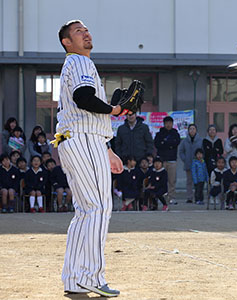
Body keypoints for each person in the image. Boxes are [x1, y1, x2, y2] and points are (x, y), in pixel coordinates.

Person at [57, 20, 123, 296]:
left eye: (86, 30)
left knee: (85, 211)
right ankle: (91, 277)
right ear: (66, 42)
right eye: (77, 32)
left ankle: (74, 278)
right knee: (98, 209)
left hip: (76, 139)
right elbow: (84, 98)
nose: (85, 33)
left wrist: (107, 148)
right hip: (83, 139)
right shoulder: (81, 62)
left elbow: (84, 107)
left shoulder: (74, 64)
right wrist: (115, 109)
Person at [154, 116, 180, 205]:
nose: (168, 125)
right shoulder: (159, 134)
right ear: (164, 124)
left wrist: (165, 143)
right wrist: (168, 144)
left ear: (172, 124)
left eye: (170, 123)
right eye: (166, 123)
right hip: (162, 161)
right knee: (160, 180)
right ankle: (160, 197)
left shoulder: (175, 133)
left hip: (172, 160)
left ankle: (171, 197)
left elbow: (176, 143)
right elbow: (158, 144)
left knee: (172, 180)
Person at [179, 124, 203, 203]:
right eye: (190, 129)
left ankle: (198, 197)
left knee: (198, 182)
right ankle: (189, 197)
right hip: (188, 164)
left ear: (196, 130)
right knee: (189, 182)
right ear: (188, 131)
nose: (192, 130)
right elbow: (181, 151)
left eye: (193, 129)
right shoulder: (185, 141)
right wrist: (185, 159)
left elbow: (203, 151)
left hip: (198, 165)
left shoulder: (200, 140)